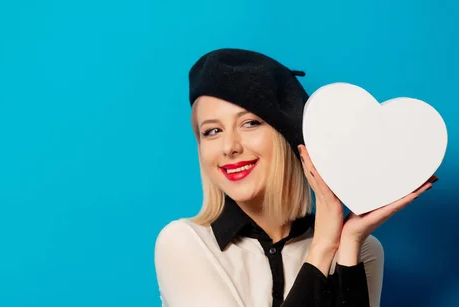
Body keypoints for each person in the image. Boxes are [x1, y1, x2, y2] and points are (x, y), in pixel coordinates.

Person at [154, 48, 437, 307]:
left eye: (250, 123)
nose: (229, 147)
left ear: (286, 138)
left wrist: (349, 244)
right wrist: (323, 247)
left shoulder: (364, 250)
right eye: (212, 131)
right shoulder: (184, 243)